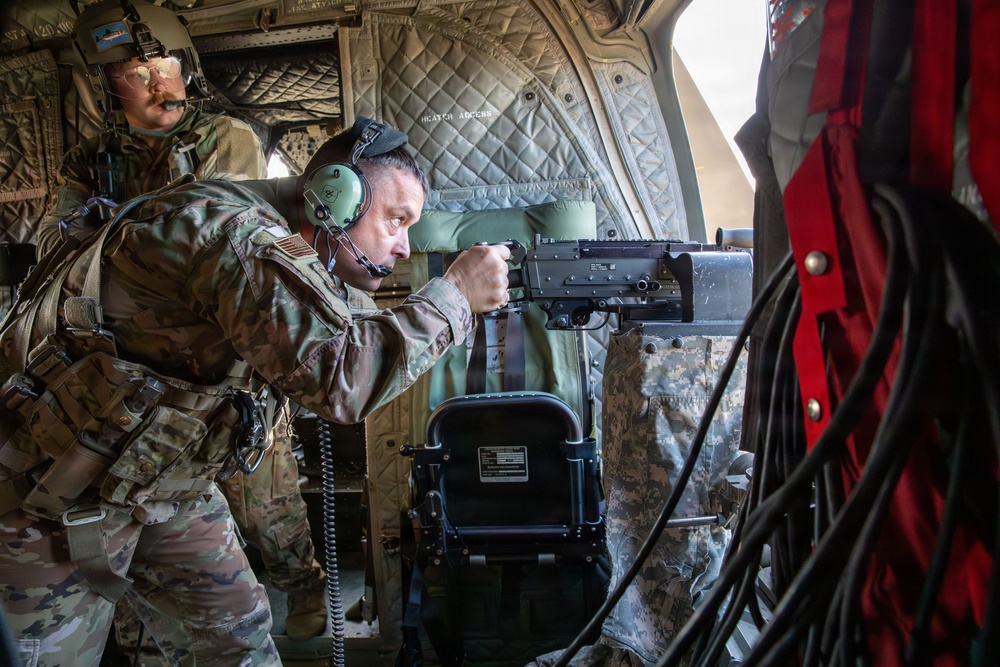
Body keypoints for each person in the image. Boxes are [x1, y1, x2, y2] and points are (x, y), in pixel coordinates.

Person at [0, 111, 511, 666]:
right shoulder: (230, 232)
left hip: (162, 486)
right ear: (332, 196)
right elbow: (340, 378)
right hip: (48, 493)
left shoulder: (278, 243)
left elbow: (344, 328)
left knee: (237, 647)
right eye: (396, 219)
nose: (405, 247)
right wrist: (455, 295)